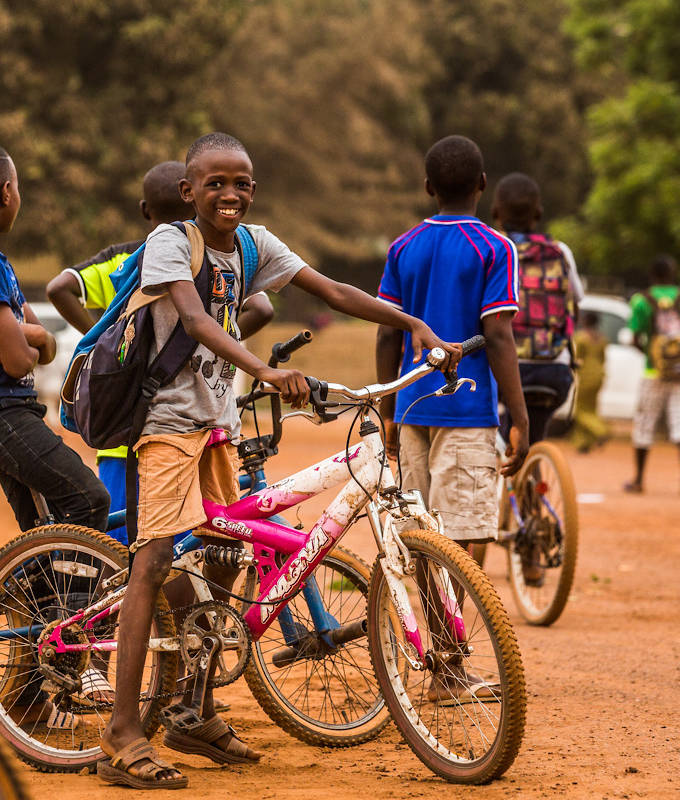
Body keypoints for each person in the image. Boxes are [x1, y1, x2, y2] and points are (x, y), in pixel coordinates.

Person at [98, 132, 457, 790]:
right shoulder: (171, 243)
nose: (229, 194)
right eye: (215, 183)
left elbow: (335, 291)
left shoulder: (255, 245)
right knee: (152, 560)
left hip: (215, 425)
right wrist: (265, 367)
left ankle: (193, 709)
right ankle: (123, 730)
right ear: (189, 191)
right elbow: (197, 321)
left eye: (241, 183)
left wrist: (414, 327)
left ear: (253, 189)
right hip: (165, 425)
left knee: (228, 555)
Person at [44, 160, 274, 546]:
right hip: (192, 423)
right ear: (194, 201)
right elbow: (262, 308)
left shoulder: (123, 259)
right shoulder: (212, 256)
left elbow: (59, 287)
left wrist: (112, 344)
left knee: (123, 546)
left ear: (145, 210)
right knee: (192, 542)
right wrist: (216, 342)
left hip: (122, 430)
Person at [0, 140, 109, 534]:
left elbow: (43, 346)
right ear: (7, 192)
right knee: (89, 500)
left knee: (43, 535)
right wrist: (28, 339)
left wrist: (28, 334)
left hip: (6, 410)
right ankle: (75, 600)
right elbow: (19, 361)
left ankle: (30, 595)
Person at [375, 135, 529, 551]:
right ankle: (449, 620)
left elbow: (387, 331)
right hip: (466, 408)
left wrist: (389, 413)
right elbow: (497, 336)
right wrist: (520, 418)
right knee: (459, 539)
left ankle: (430, 618)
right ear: (482, 182)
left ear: (428, 186)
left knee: (420, 538)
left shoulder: (403, 247)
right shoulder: (496, 248)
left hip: (411, 407)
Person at [490, 173, 584, 445]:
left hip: (500, 369)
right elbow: (573, 311)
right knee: (533, 438)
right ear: (539, 213)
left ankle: (511, 479)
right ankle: (532, 479)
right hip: (552, 370)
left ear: (495, 212)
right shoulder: (560, 252)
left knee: (493, 429)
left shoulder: (490, 249)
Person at [624, 254, 680, 496]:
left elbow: (634, 337)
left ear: (652, 275)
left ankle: (639, 480)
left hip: (653, 371)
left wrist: (653, 354)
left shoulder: (641, 300)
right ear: (673, 273)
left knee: (645, 423)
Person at [571, 310, 609, 453]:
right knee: (591, 408)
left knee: (581, 410)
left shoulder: (581, 338)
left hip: (586, 375)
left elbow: (576, 358)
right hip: (599, 375)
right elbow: (603, 358)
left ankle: (601, 430)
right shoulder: (602, 339)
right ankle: (583, 443)